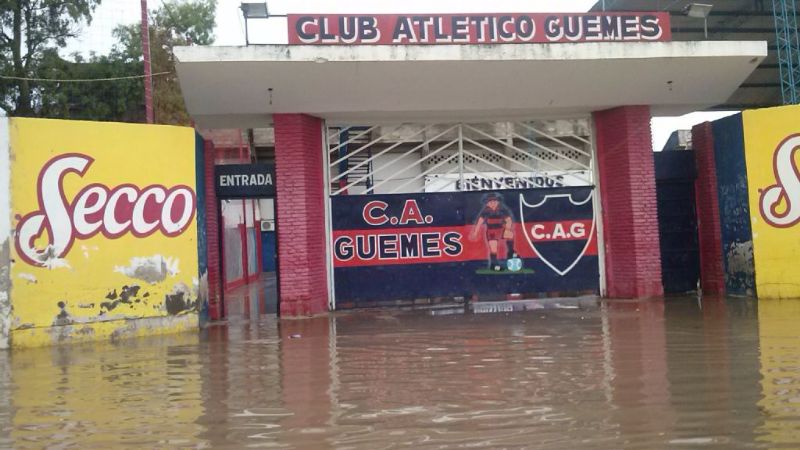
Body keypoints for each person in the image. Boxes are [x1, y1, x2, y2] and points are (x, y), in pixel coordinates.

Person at [469, 192, 515, 271]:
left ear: (498, 202)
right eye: (490, 202)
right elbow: (479, 222)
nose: (493, 203)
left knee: (510, 234)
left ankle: (511, 252)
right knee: (493, 248)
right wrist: (475, 233)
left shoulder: (502, 209)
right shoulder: (485, 211)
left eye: (494, 201)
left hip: (501, 229)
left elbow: (509, 220)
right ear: (487, 203)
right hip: (491, 232)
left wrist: (507, 229)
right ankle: (494, 265)